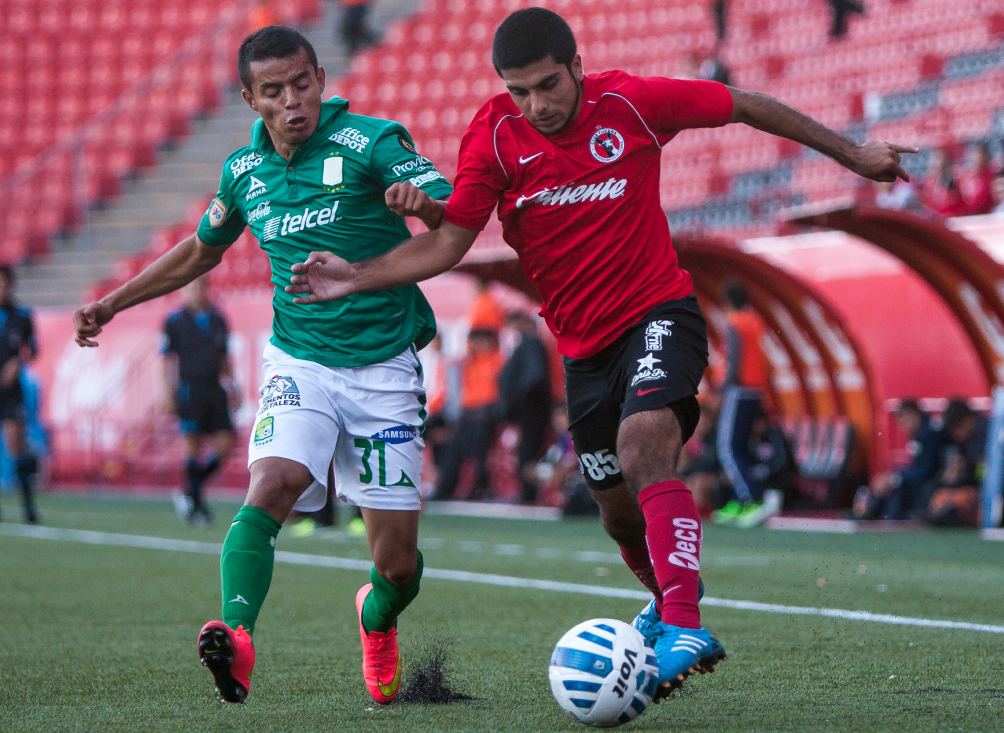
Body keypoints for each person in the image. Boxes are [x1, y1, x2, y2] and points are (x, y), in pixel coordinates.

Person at [285, 7, 915, 695]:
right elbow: (448, 240)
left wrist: (854, 155)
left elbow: (746, 105)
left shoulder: (631, 104)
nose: (538, 105)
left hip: (658, 313)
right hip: (581, 353)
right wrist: (357, 273)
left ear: (577, 67)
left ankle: (682, 622)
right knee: (615, 511)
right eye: (520, 90)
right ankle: (672, 593)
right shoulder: (494, 136)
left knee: (646, 445)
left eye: (549, 85)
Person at [72, 26, 453, 705]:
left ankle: (376, 615)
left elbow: (452, 206)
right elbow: (199, 250)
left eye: (301, 84)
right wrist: (112, 301)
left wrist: (421, 202)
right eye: (273, 91)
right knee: (271, 483)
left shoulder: (372, 142)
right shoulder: (243, 173)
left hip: (383, 368)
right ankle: (238, 636)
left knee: (397, 565)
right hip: (299, 360)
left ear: (320, 79)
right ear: (250, 99)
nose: (292, 102)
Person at [162, 276, 237, 526]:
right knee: (193, 446)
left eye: (198, 287)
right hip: (189, 389)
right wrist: (167, 392)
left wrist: (233, 385)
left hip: (215, 388)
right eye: (189, 288)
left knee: (226, 444)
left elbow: (225, 356)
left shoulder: (218, 319)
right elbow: (166, 359)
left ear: (207, 289)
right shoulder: (174, 322)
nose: (194, 292)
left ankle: (189, 492)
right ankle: (197, 504)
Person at [714, 281, 773, 526]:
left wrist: (723, 387)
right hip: (755, 389)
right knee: (742, 446)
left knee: (728, 447)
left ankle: (751, 500)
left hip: (739, 390)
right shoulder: (754, 320)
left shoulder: (734, 322)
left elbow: (734, 359)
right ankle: (739, 499)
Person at [431, 328, 503, 500]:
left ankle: (477, 486)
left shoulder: (498, 361)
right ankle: (445, 486)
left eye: (481, 341)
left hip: (486, 413)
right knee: (443, 435)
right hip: (469, 413)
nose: (478, 345)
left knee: (472, 439)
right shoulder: (469, 362)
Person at [851, 398, 942, 521]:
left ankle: (882, 518)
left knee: (895, 488)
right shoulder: (920, 433)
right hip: (921, 480)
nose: (903, 426)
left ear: (913, 415)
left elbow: (926, 470)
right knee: (889, 484)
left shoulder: (929, 434)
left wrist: (894, 478)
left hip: (931, 483)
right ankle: (869, 513)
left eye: (904, 420)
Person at [499, 310, 553, 504]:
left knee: (528, 450)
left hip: (531, 409)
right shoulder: (527, 344)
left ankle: (529, 493)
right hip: (531, 408)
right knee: (528, 449)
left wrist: (517, 401)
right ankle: (528, 492)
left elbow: (534, 378)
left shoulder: (530, 343)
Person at [0, 265, 40, 524]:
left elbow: (33, 350)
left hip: (11, 391)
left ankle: (28, 505)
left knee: (17, 441)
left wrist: (18, 363)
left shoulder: (23, 316)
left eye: (4, 284)